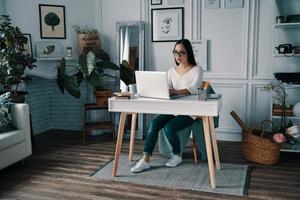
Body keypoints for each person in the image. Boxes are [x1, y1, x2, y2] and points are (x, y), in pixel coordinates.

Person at [130, 39, 203, 173]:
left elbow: (194, 88)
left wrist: (174, 91)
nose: (178, 56)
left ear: (188, 53)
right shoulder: (171, 71)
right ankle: (145, 160)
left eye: (182, 52)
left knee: (169, 128)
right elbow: (167, 88)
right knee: (154, 124)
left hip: (190, 111)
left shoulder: (197, 69)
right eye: (176, 53)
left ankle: (177, 155)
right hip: (173, 109)